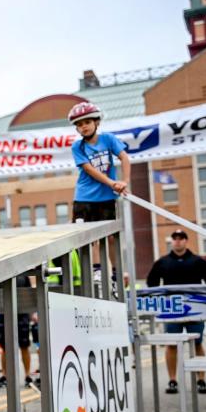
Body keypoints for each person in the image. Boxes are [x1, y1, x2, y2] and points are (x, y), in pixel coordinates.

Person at [146, 229, 206, 395]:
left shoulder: (197, 261)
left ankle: (201, 380)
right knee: (171, 345)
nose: (178, 241)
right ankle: (173, 380)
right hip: (172, 312)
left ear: (186, 241)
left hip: (195, 311)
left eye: (181, 238)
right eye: (175, 238)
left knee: (197, 343)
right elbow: (151, 283)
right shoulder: (162, 262)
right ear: (171, 241)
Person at [69, 102, 129, 292]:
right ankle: (97, 271)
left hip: (106, 198)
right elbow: (89, 170)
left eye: (87, 122)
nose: (83, 127)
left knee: (110, 238)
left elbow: (125, 158)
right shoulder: (77, 147)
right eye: (79, 124)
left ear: (96, 122)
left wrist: (125, 182)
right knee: (90, 239)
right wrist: (112, 183)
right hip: (85, 198)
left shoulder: (109, 139)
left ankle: (115, 272)